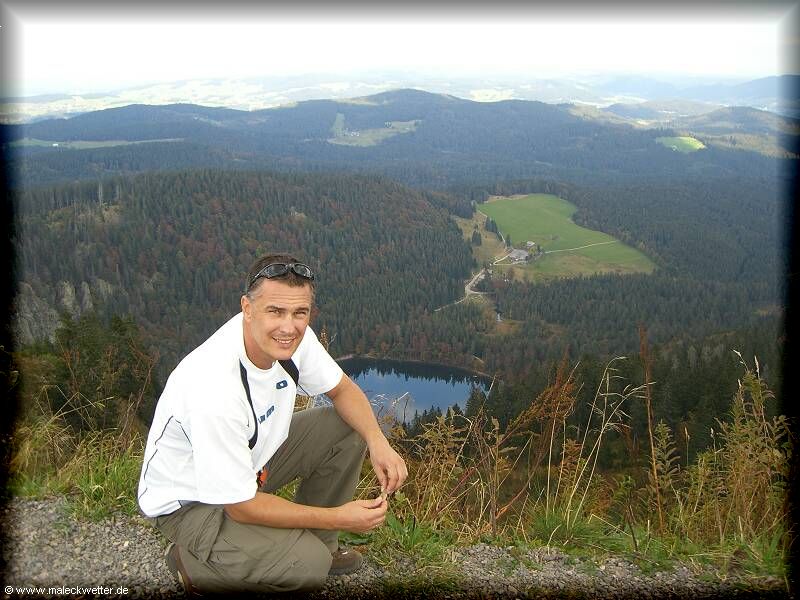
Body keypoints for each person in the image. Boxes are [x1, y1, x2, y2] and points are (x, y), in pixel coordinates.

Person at [137, 253, 408, 594]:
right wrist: (340, 516)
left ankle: (321, 543)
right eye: (275, 311)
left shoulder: (292, 339)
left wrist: (378, 442)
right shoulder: (214, 389)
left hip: (248, 465)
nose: (288, 327)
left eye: (300, 313)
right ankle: (191, 563)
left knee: (349, 427)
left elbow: (343, 390)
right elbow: (240, 506)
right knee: (306, 568)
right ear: (247, 308)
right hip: (192, 504)